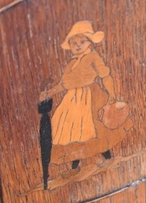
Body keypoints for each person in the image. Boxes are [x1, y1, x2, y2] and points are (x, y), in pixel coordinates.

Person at [39, 21, 132, 176]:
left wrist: (112, 96)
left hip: (90, 97)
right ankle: (75, 167)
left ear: (90, 42)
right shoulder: (72, 64)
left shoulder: (93, 57)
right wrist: (50, 92)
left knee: (98, 130)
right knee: (74, 133)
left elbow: (105, 75)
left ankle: (108, 157)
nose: (77, 46)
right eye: (74, 43)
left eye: (82, 41)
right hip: (72, 100)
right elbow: (65, 84)